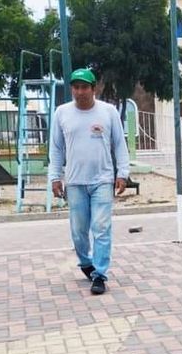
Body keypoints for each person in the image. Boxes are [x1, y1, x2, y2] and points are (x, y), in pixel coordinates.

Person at [48, 68, 129, 295]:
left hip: (102, 179)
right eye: (76, 87)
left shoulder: (108, 112)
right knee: (78, 231)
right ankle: (85, 262)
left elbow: (119, 144)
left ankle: (100, 274)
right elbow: (56, 148)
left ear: (94, 89)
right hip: (75, 181)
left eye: (84, 87)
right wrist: (55, 177)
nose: (80, 92)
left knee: (101, 228)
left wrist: (122, 173)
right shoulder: (62, 113)